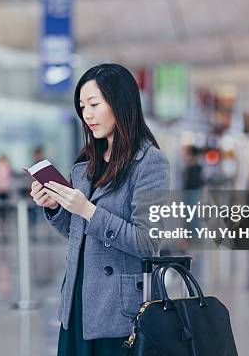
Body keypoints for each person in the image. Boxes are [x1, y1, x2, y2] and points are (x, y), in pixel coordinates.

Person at [29, 64, 170, 355]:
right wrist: (56, 207)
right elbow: (78, 234)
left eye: (94, 104)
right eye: (82, 107)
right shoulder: (85, 164)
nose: (87, 114)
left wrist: (89, 210)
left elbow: (148, 243)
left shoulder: (150, 163)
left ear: (120, 102)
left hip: (118, 312)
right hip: (77, 303)